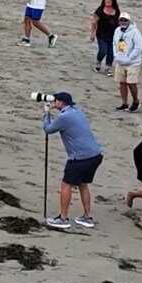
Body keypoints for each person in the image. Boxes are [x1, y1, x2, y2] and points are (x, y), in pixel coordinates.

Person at [42, 92, 104, 230]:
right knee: (83, 184)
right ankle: (87, 217)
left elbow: (48, 129)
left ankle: (63, 218)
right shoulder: (77, 111)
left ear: (61, 102)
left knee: (66, 185)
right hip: (95, 155)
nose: (54, 103)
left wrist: (46, 113)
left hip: (79, 157)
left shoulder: (64, 117)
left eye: (56, 101)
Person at [111, 13, 142, 112]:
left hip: (132, 63)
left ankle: (135, 101)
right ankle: (124, 103)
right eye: (121, 20)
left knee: (131, 83)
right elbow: (114, 43)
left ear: (129, 21)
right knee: (122, 82)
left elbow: (138, 47)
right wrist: (115, 55)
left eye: (125, 20)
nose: (123, 22)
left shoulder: (135, 32)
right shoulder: (117, 31)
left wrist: (129, 58)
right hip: (120, 61)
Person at [90, 0, 123, 75]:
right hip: (101, 35)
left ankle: (108, 68)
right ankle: (98, 63)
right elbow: (94, 22)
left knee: (111, 52)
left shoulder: (117, 11)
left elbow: (120, 24)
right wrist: (92, 34)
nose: (108, 1)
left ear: (113, 1)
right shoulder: (100, 10)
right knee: (103, 50)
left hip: (113, 36)